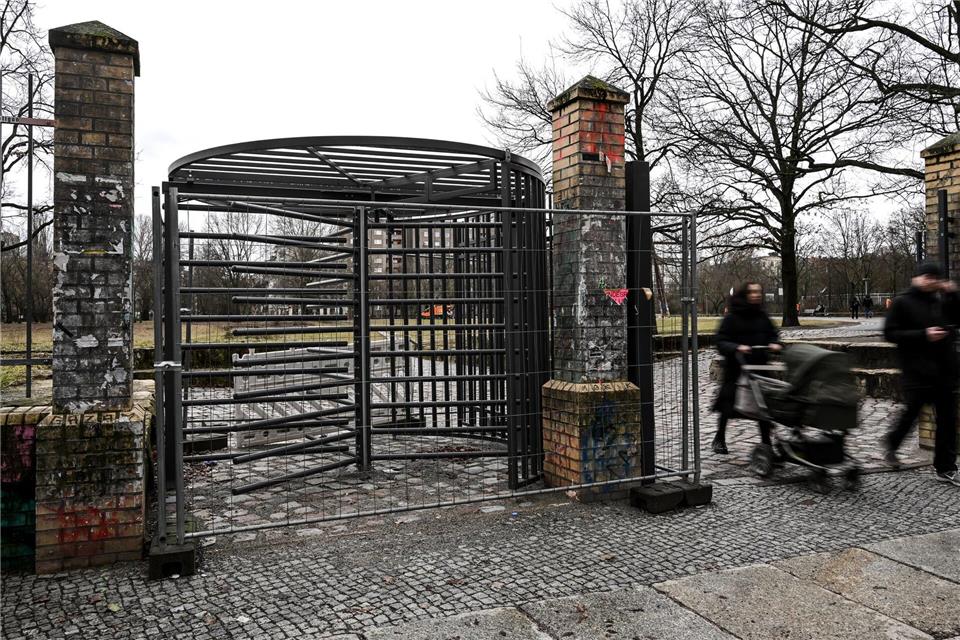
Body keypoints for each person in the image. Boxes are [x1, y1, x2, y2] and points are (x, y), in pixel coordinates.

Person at [882, 262, 960, 486]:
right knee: (912, 413)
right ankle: (892, 444)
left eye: (934, 277)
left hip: (944, 371)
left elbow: (956, 320)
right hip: (917, 371)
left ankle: (945, 467)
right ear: (916, 278)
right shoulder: (902, 302)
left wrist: (953, 296)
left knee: (947, 420)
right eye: (926, 277)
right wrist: (923, 335)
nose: (931, 281)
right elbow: (890, 333)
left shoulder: (940, 300)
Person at [711, 282, 782, 454]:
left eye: (759, 291)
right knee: (728, 404)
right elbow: (721, 340)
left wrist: (775, 344)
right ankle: (719, 437)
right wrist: (736, 347)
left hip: (759, 367)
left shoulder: (763, 317)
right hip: (737, 367)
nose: (757, 295)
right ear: (745, 294)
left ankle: (766, 444)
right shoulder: (732, 318)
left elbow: (773, 335)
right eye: (752, 292)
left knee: (763, 407)